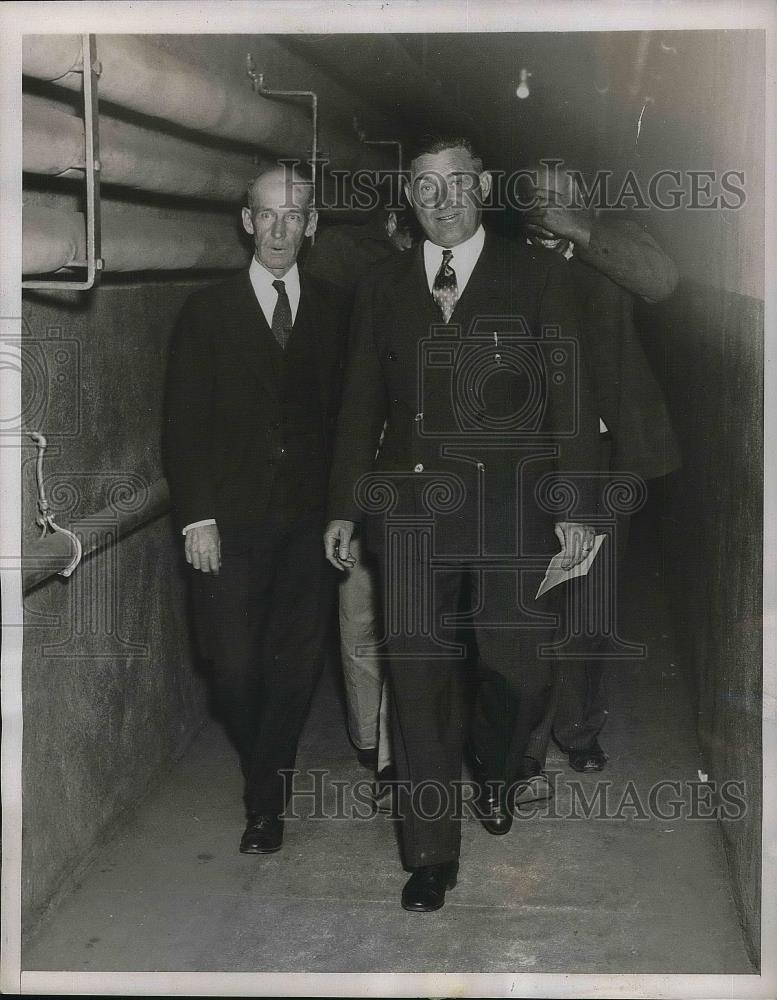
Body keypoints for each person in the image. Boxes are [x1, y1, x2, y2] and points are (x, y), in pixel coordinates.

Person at [324, 135, 601, 912]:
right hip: (408, 514)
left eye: (453, 184)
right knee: (415, 680)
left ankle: (496, 761)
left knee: (517, 671)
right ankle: (429, 854)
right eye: (422, 189)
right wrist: (343, 505)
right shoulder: (381, 287)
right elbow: (357, 407)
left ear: (480, 185)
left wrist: (578, 508)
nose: (440, 201)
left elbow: (572, 400)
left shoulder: (538, 276)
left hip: (514, 509)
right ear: (407, 201)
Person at [164, 164, 349, 856]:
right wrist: (196, 517)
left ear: (312, 226)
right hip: (229, 524)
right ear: (246, 221)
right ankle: (264, 762)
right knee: (233, 666)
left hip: (309, 523)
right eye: (266, 215)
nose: (279, 229)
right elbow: (181, 426)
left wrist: (346, 511)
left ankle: (264, 800)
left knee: (295, 664)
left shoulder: (336, 312)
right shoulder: (205, 313)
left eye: (293, 216)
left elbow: (349, 420)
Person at [516, 160, 681, 782]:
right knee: (532, 602)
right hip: (534, 458)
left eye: (567, 194)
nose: (551, 204)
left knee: (591, 601)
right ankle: (524, 743)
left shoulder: (615, 242)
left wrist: (579, 231)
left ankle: (578, 727)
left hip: (610, 462)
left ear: (585, 200)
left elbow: (661, 281)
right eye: (541, 194)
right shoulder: (506, 257)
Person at [305, 208, 416, 786]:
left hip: (409, 492)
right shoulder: (347, 275)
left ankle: (396, 753)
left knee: (404, 623)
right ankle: (371, 742)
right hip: (356, 485)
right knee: (359, 617)